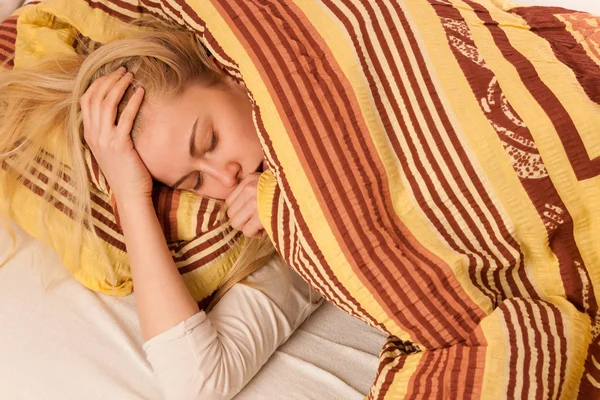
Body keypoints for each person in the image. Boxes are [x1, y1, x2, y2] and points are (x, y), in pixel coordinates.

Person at [0, 19, 321, 400]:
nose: (226, 177)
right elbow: (198, 384)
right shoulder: (270, 241)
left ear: (228, 74)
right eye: (196, 183)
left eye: (211, 139)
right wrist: (131, 195)